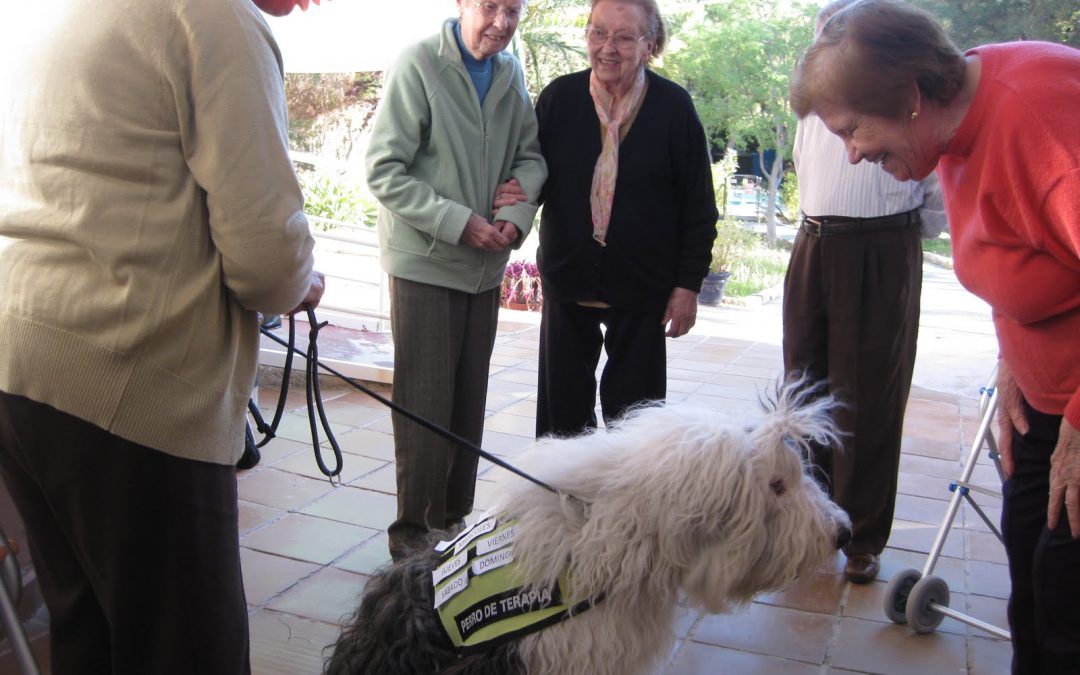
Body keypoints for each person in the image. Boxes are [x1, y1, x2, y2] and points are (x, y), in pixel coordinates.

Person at [0, 0, 323, 672]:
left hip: (23, 363)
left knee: (90, 634)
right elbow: (267, 258)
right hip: (129, 385)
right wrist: (301, 279)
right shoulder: (220, 20)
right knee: (188, 651)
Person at [789, 1, 1079, 670]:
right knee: (1032, 589)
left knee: (1068, 600)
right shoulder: (951, 129)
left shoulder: (1041, 124)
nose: (854, 152)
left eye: (854, 129)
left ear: (911, 98)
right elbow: (1029, 251)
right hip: (1043, 395)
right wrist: (1014, 354)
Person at [364, 0, 547, 561]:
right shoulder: (418, 64)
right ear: (462, 3)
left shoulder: (511, 72)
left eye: (512, 10)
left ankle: (451, 524)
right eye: (489, 6)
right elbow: (383, 169)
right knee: (425, 404)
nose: (500, 22)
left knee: (467, 403)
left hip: (484, 269)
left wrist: (514, 218)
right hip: (426, 262)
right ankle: (413, 542)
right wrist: (457, 222)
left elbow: (531, 160)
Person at [783, 0, 948, 585]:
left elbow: (932, 184)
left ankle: (861, 536)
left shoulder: (892, 90)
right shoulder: (812, 97)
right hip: (813, 241)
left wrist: (902, 239)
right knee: (803, 389)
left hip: (880, 245)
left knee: (869, 395)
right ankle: (802, 523)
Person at [533, 0, 718, 438]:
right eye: (598, 33)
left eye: (623, 37)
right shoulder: (559, 98)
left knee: (636, 425)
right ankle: (560, 504)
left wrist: (687, 286)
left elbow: (699, 208)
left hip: (643, 286)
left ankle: (630, 507)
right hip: (569, 278)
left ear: (649, 45)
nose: (607, 48)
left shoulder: (674, 108)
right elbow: (530, 176)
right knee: (561, 424)